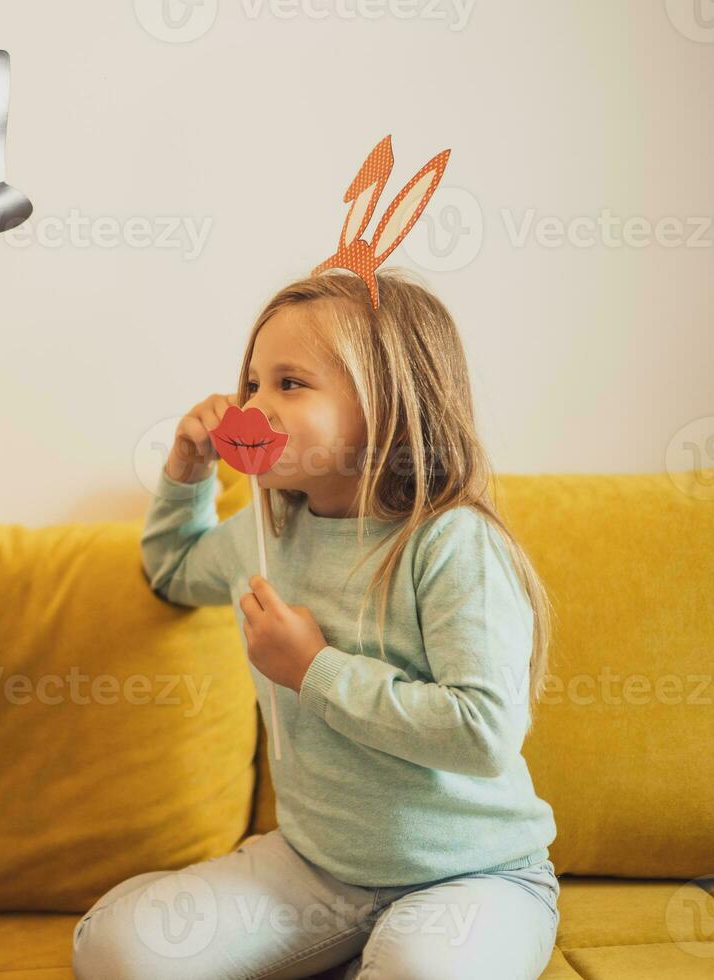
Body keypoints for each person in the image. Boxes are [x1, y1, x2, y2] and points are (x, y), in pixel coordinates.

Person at [72, 270, 560, 980]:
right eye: (251, 384)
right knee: (115, 950)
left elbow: (484, 733)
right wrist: (186, 472)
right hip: (318, 870)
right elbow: (173, 570)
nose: (252, 406)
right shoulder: (269, 528)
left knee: (421, 971)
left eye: (289, 384)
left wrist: (314, 669)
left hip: (476, 875)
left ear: (387, 403)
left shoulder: (450, 542)